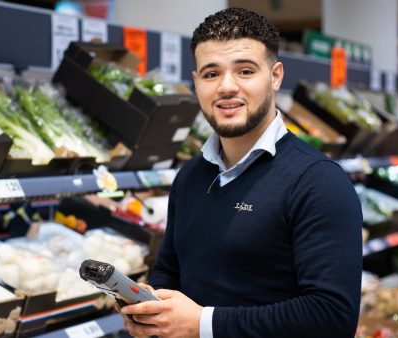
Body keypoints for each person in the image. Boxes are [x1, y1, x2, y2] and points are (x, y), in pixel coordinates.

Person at [118, 7, 363, 338]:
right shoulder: (190, 176)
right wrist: (149, 307)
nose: (226, 87)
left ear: (275, 76)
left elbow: (331, 318)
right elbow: (171, 268)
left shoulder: (318, 181)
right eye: (211, 74)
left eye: (245, 71)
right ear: (196, 83)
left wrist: (202, 323)